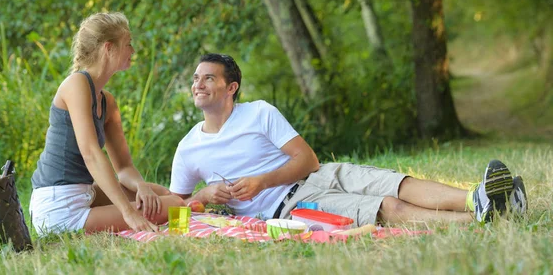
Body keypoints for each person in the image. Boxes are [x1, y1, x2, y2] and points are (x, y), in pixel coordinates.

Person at [169, 53, 528, 227]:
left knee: (395, 182)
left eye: (208, 78)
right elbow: (177, 207)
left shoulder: (259, 112)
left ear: (231, 88)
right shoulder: (189, 148)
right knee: (385, 207)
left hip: (316, 175)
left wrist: (262, 180)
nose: (198, 84)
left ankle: (476, 197)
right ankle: (489, 217)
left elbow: (306, 160)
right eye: (196, 78)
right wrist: (203, 195)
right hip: (289, 210)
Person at [30, 12, 183, 235]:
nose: (133, 51)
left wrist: (140, 186)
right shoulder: (76, 84)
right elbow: (91, 153)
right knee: (175, 206)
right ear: (108, 48)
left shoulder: (108, 101)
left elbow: (124, 168)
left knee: (158, 193)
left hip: (84, 194)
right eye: (128, 44)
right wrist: (128, 213)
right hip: (57, 206)